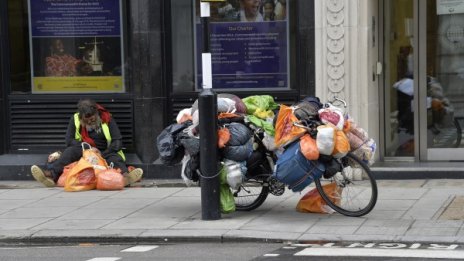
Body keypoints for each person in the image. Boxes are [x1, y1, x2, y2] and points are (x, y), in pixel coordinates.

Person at [31, 99, 143, 187]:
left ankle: (125, 178)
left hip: (104, 152)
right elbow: (69, 140)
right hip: (84, 150)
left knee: (115, 158)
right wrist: (88, 149)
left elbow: (117, 141)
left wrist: (100, 154)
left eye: (92, 119)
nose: (90, 121)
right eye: (86, 120)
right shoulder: (75, 119)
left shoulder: (107, 118)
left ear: (97, 113)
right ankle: (51, 175)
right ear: (81, 117)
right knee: (70, 152)